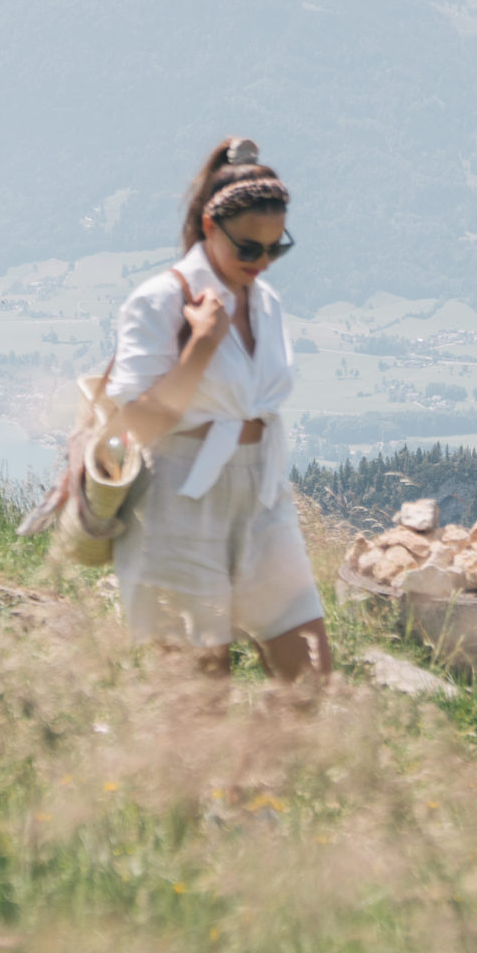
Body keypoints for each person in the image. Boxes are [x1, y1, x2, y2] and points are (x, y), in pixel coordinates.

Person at [101, 137, 329, 684]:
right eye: (248, 248)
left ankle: (268, 771)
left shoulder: (265, 303)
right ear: (209, 227)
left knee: (311, 673)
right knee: (199, 693)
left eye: (276, 248)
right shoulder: (158, 300)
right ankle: (209, 772)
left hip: (261, 495)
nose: (262, 263)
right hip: (178, 494)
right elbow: (136, 423)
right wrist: (200, 347)